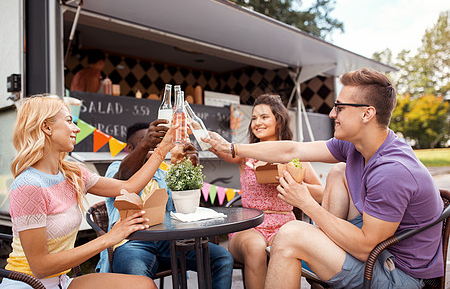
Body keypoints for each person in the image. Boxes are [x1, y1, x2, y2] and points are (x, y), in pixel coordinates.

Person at [204, 69, 443, 289]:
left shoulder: (392, 170)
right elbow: (292, 150)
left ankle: (311, 245)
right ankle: (316, 244)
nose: (331, 114)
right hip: (377, 252)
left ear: (367, 113)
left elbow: (364, 247)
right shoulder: (354, 147)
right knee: (338, 172)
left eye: (340, 107)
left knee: (290, 235)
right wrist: (233, 148)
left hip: (398, 274)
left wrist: (306, 202)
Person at [1, 94, 177, 289]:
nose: (76, 128)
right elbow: (40, 267)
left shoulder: (71, 173)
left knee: (145, 285)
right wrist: (110, 237)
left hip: (61, 282)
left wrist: (163, 148)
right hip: (29, 284)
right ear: (47, 127)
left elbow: (128, 187)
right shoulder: (29, 185)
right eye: (69, 121)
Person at [96, 120, 234, 289]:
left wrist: (190, 169)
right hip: (131, 243)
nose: (152, 146)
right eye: (144, 142)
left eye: (155, 142)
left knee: (222, 258)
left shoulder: (166, 172)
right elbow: (124, 177)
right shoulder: (116, 168)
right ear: (129, 149)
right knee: (135, 276)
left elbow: (184, 209)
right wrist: (145, 145)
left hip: (168, 241)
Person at [209, 94, 324, 289]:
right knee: (256, 248)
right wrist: (201, 133)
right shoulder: (245, 153)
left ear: (278, 120)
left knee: (292, 245)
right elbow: (220, 148)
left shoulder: (294, 155)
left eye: (264, 117)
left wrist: (294, 185)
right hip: (250, 225)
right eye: (254, 118)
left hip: (284, 224)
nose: (257, 123)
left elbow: (321, 192)